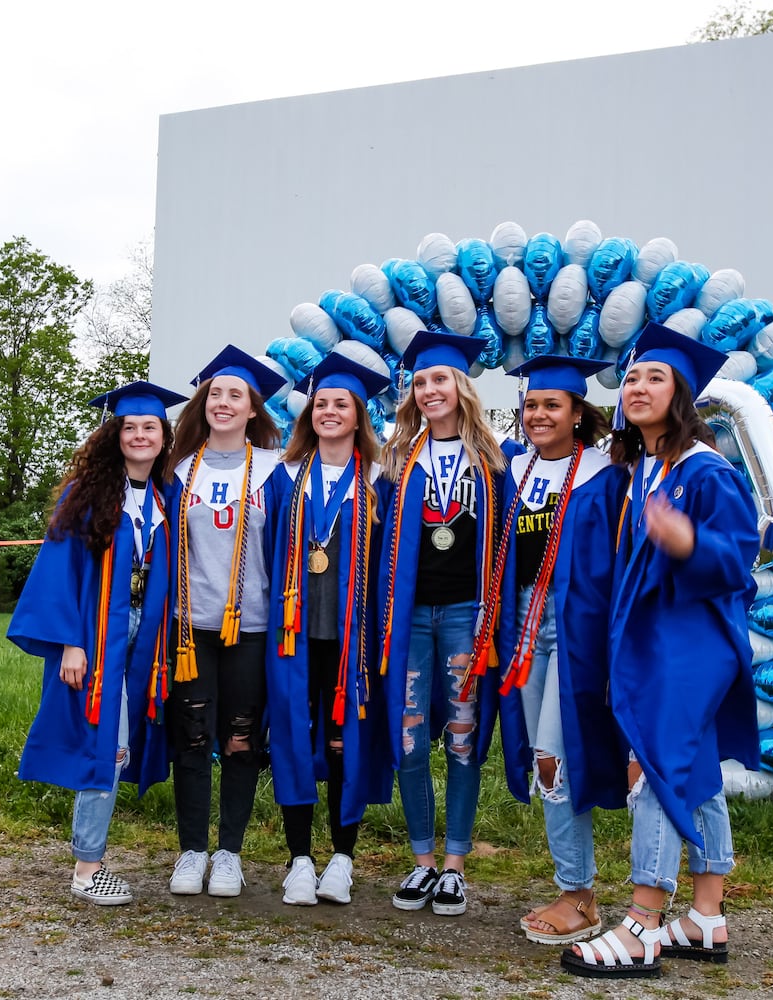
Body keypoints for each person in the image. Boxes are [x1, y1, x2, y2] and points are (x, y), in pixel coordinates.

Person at [562, 323, 760, 979]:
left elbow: (737, 559)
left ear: (680, 397)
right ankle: (705, 914)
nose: (638, 387)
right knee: (693, 769)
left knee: (652, 767)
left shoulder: (705, 471)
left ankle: (643, 923)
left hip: (690, 645)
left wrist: (687, 544)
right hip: (654, 643)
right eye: (633, 377)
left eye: (656, 377)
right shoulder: (639, 470)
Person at [9, 380, 186, 905]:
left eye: (149, 427)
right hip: (97, 636)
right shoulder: (86, 496)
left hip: (145, 636)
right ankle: (88, 868)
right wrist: (70, 643)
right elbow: (59, 570)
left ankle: (91, 859)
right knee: (106, 745)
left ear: (162, 436)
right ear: (114, 436)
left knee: (117, 742)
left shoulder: (163, 495)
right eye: (129, 427)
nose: (139, 435)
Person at [489, 355, 627, 945]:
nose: (539, 414)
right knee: (537, 759)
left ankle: (579, 894)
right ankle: (576, 888)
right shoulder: (511, 468)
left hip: (573, 631)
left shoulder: (604, 475)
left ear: (578, 413)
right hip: (523, 625)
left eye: (552, 405)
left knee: (554, 758)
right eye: (531, 405)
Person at [377, 330, 507, 917]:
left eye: (441, 380)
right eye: (421, 381)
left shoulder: (495, 462)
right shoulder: (397, 462)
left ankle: (454, 865)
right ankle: (422, 860)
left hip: (465, 615)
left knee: (462, 738)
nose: (431, 390)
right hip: (409, 618)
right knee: (407, 737)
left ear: (461, 388)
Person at [264, 351, 393, 906]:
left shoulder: (380, 480)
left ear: (359, 415)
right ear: (308, 413)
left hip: (352, 639)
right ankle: (298, 859)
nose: (330, 411)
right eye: (321, 403)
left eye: (342, 404)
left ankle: (342, 857)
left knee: (346, 744)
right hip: (293, 634)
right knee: (293, 737)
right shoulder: (284, 476)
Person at [162, 346, 286, 898]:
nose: (223, 402)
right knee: (190, 738)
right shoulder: (178, 471)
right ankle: (191, 850)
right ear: (204, 403)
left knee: (240, 739)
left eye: (235, 394)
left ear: (253, 409)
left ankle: (229, 853)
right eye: (215, 393)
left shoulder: (276, 469)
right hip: (190, 629)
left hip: (251, 628)